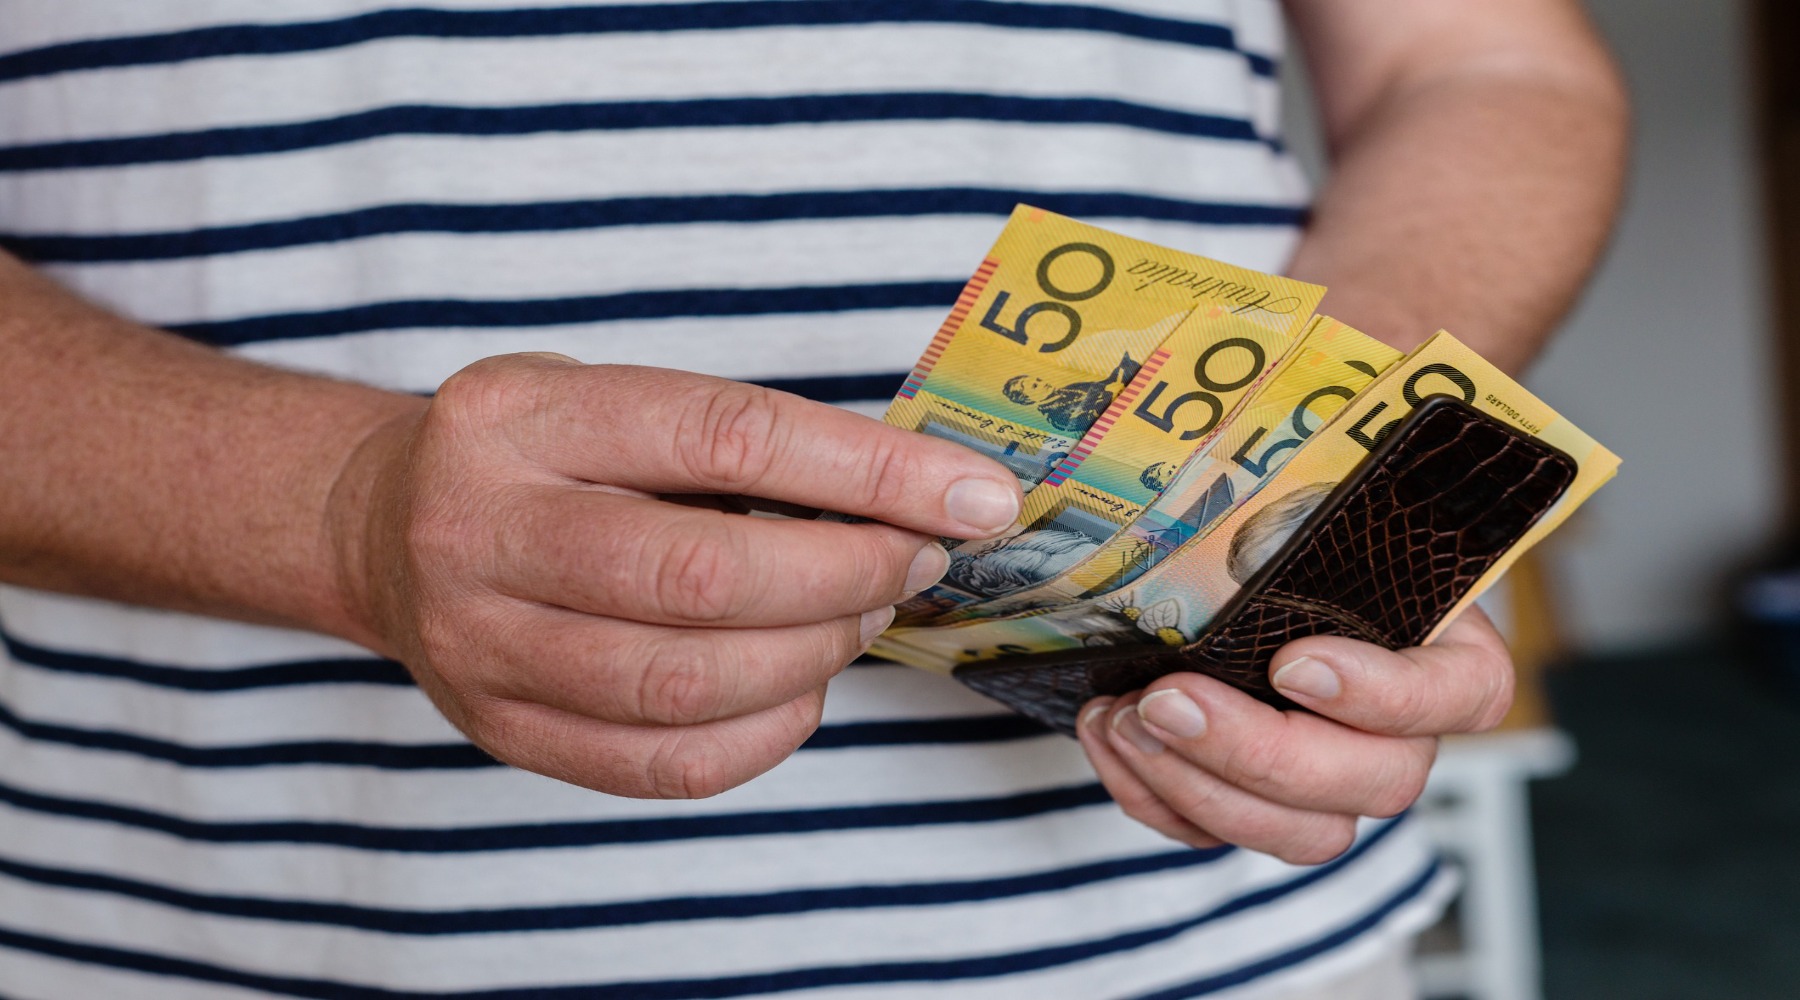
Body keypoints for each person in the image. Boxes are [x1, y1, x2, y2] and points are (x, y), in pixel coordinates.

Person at [0, 2, 1626, 997]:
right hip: (209, 937)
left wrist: (1312, 485)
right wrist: (338, 510)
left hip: (1194, 939)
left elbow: (1478, 57)